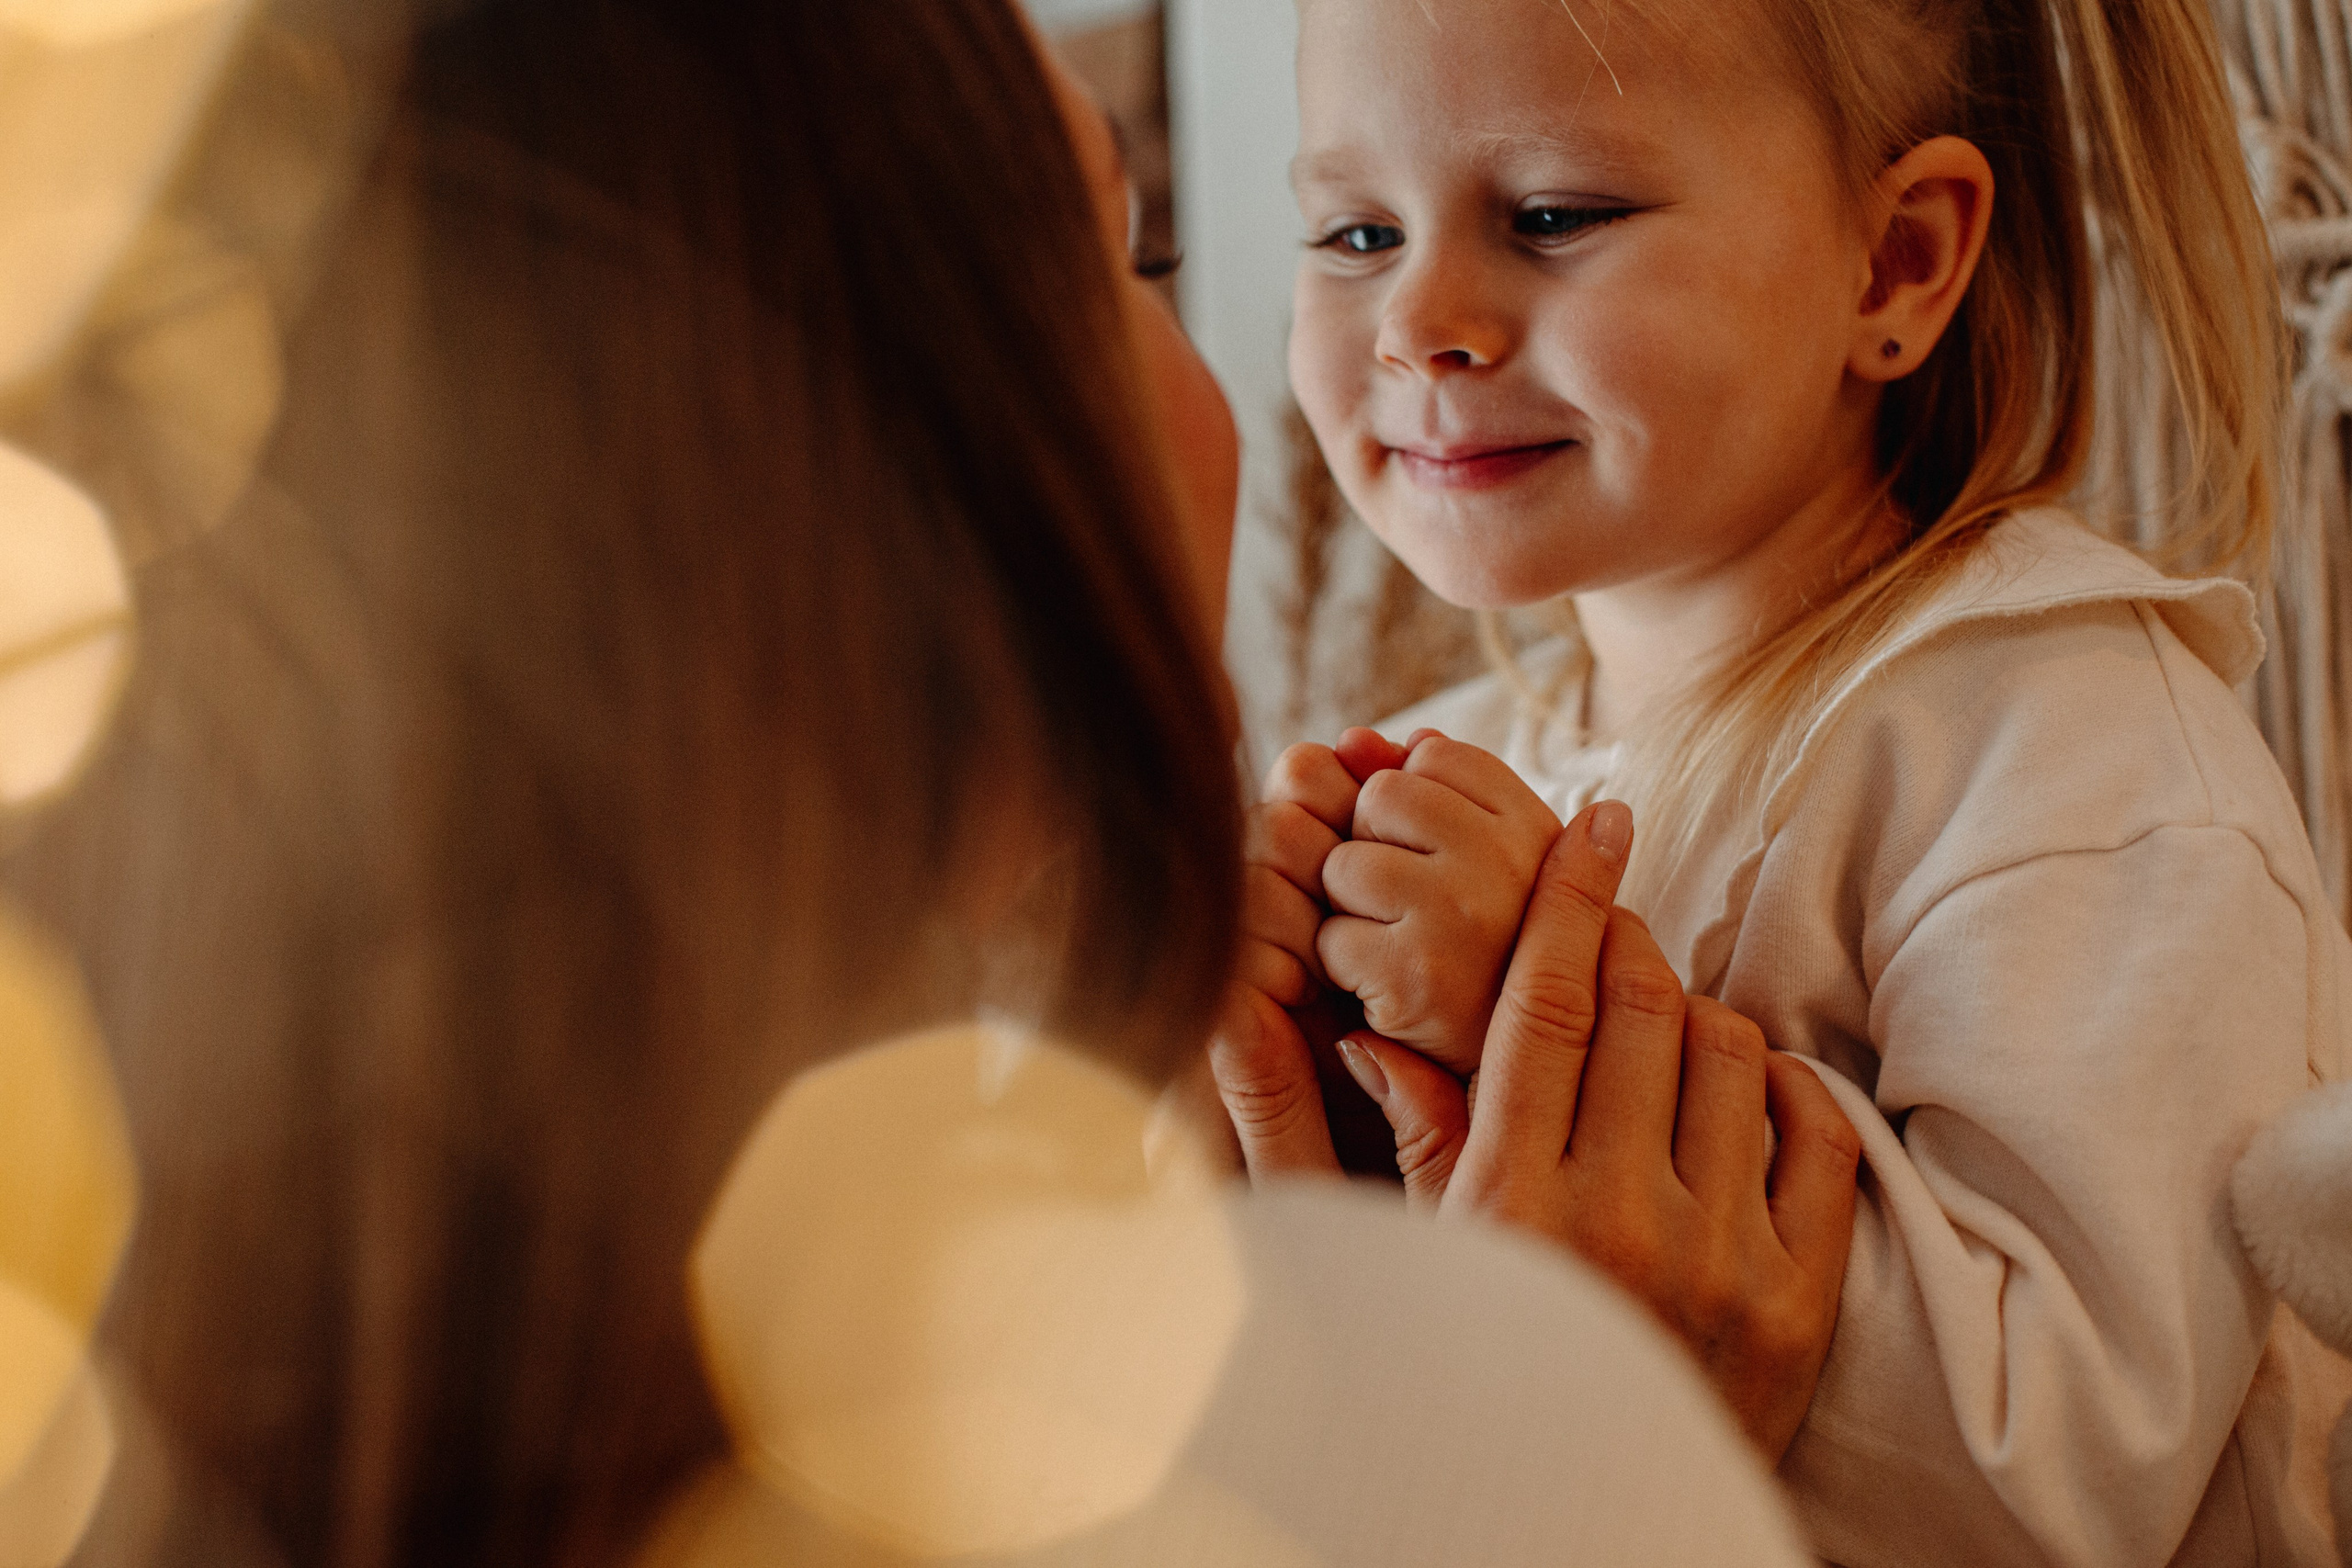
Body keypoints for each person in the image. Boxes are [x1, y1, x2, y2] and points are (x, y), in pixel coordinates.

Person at [0, 0, 1856, 1563]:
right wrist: (1553, 1426)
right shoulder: (1373, 1438)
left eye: (1551, 212)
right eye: (1130, 264)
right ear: (892, 583)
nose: (1397, 336)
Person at [1226, 0, 2352, 1562]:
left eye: (1552, 216)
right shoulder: (1433, 753)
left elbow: (2063, 1484)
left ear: (1894, 265)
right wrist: (1281, 1083)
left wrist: (1530, 1030)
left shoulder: (2067, 753)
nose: (1421, 322)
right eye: (1357, 234)